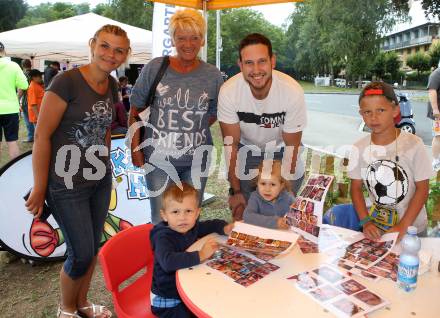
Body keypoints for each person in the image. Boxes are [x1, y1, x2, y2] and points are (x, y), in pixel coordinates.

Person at [25, 25, 131, 318]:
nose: (111, 54)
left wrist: (106, 162)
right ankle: (67, 309)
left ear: (125, 55)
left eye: (119, 50)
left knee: (92, 249)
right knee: (81, 253)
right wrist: (39, 186)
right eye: (106, 46)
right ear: (92, 45)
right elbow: (42, 136)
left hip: (99, 179)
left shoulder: (111, 84)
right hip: (66, 182)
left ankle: (82, 303)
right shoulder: (65, 82)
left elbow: (105, 129)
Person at [129, 9, 223, 224]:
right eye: (181, 38)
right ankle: (162, 258)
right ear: (172, 39)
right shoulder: (155, 67)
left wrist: (188, 127)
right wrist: (136, 148)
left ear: (203, 40)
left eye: (194, 37)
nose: (188, 44)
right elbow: (135, 110)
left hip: (196, 161)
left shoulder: (213, 75)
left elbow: (214, 113)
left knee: (188, 220)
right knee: (162, 220)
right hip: (159, 160)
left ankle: (186, 258)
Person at [325, 82, 434, 241]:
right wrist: (365, 222)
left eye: (380, 110)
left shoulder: (414, 144)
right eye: (367, 112)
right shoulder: (358, 148)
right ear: (361, 113)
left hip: (412, 230)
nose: (373, 117)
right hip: (377, 230)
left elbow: (422, 189)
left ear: (395, 110)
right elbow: (355, 189)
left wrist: (403, 227)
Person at [218, 33, 307, 221]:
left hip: (283, 151)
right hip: (246, 150)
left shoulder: (292, 91)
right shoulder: (229, 92)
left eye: (262, 61)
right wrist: (235, 191)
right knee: (246, 215)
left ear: (272, 61)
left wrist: (283, 190)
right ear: (240, 65)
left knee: (283, 214)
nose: (256, 69)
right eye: (249, 63)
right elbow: (230, 146)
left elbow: (292, 147)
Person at [150, 182, 233, 318]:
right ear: (164, 215)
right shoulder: (162, 237)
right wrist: (201, 254)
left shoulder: (190, 226)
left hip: (187, 287)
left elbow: (209, 225)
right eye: (175, 212)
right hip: (168, 300)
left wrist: (224, 228)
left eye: (188, 211)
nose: (182, 217)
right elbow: (168, 262)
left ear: (197, 213)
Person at [243, 159, 293, 229]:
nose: (267, 189)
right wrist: (275, 222)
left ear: (281, 186)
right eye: (263, 183)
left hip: (283, 235)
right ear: (257, 183)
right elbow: (247, 216)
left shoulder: (288, 198)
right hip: (260, 235)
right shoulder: (255, 197)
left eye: (272, 184)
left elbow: (298, 215)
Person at [0, 42, 29, 160]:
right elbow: (24, 85)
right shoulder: (13, 66)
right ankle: (13, 172)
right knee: (12, 142)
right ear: (4, 51)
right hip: (10, 109)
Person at [427, 67, 440, 171]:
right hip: (438, 113)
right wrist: (435, 110)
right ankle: (436, 161)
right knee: (438, 136)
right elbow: (432, 91)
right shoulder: (436, 74)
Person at [20, 59, 34, 142]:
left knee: (28, 119)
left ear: (22, 66)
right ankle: (35, 136)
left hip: (27, 100)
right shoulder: (35, 73)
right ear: (30, 65)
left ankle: (30, 137)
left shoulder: (23, 75)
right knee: (35, 119)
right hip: (36, 100)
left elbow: (21, 89)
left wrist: (17, 99)